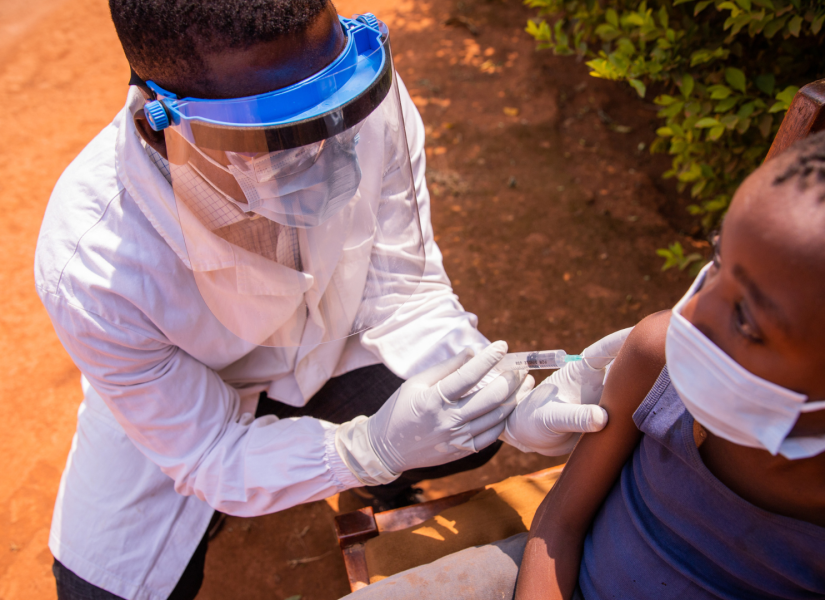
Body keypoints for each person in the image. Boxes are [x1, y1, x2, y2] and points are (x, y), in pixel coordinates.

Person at [35, 2, 630, 599]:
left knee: (464, 430)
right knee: (104, 591)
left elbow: (408, 291)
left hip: (326, 349)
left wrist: (510, 405)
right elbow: (204, 450)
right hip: (185, 403)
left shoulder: (363, 106)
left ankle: (383, 486)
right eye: (276, 135)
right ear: (156, 122)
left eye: (330, 108)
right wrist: (369, 447)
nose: (327, 148)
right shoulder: (92, 266)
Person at [344, 133, 825, 600]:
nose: (692, 315)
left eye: (746, 318)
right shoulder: (656, 354)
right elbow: (561, 521)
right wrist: (364, 451)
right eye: (719, 259)